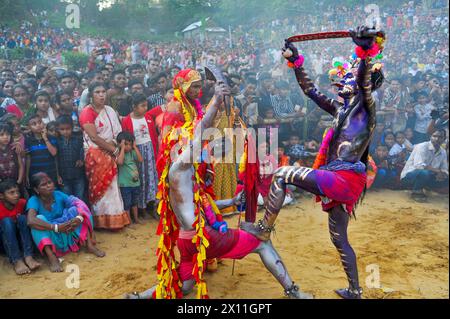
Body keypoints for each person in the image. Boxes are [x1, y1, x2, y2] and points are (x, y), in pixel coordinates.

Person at [126, 68, 311, 299]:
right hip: (204, 237)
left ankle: (139, 297)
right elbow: (200, 133)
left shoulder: (180, 176)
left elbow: (205, 205)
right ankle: (295, 293)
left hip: (187, 241)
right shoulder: (179, 168)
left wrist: (233, 200)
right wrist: (215, 98)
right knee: (262, 244)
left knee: (185, 286)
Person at [242, 26, 386, 299]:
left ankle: (263, 230)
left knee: (283, 173)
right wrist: (295, 62)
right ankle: (355, 290)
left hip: (344, 179)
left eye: (348, 77)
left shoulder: (366, 107)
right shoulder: (340, 109)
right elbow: (310, 91)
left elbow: (365, 80)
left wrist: (366, 53)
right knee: (339, 239)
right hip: (340, 179)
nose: (341, 80)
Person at [26, 172, 104, 272]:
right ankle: (52, 258)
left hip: (67, 230)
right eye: (43, 185)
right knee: (38, 220)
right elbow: (30, 220)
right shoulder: (34, 200)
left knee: (76, 210)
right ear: (36, 190)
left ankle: (89, 245)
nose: (49, 185)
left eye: (49, 182)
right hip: (52, 235)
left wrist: (78, 218)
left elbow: (78, 203)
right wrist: (56, 227)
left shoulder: (58, 194)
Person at [79, 81, 130, 230]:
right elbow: (94, 138)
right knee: (101, 187)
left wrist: (115, 146)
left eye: (103, 91)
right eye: (97, 92)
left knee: (113, 186)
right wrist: (113, 151)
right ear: (91, 96)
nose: (101, 95)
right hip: (95, 153)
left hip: (111, 149)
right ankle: (102, 222)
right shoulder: (87, 112)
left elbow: (117, 132)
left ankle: (116, 220)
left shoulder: (110, 110)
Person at [121, 93, 158, 219]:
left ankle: (152, 206)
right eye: (142, 106)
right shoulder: (127, 120)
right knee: (140, 179)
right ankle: (140, 208)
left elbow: (152, 135)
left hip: (150, 151)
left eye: (146, 105)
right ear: (134, 107)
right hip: (137, 153)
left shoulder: (148, 117)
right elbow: (127, 139)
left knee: (151, 178)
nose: (145, 108)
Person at [0, 179, 41, 275]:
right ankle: (16, 260)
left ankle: (29, 256)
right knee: (6, 221)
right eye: (11, 193)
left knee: (22, 218)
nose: (16, 195)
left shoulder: (22, 203)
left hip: (21, 241)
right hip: (5, 243)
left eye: (17, 192)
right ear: (1, 196)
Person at [400, 129, 448, 202]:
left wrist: (444, 174)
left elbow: (444, 168)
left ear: (444, 139)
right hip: (409, 176)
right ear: (430, 137)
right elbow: (419, 166)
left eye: (440, 137)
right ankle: (416, 192)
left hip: (429, 175)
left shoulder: (443, 151)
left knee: (446, 177)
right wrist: (438, 171)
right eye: (434, 136)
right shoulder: (421, 146)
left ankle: (426, 188)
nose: (437, 139)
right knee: (424, 173)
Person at [116, 131, 144, 225]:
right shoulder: (119, 153)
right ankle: (129, 222)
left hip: (135, 183)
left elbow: (140, 160)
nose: (128, 146)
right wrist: (122, 148)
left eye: (130, 144)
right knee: (127, 204)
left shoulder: (132, 152)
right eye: (126, 144)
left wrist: (135, 147)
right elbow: (119, 162)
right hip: (125, 184)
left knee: (134, 203)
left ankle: (136, 219)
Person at [24, 114, 58, 190]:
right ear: (29, 127)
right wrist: (26, 175)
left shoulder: (51, 138)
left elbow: (54, 153)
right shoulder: (28, 140)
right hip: (35, 174)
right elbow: (28, 158)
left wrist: (45, 138)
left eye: (40, 122)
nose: (38, 125)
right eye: (34, 124)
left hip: (50, 173)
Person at [55, 115, 85, 201]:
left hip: (78, 175)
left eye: (68, 129)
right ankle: (70, 214)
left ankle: (80, 214)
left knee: (80, 199)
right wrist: (57, 175)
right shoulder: (57, 141)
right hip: (64, 176)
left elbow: (83, 150)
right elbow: (55, 159)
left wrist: (81, 160)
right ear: (58, 129)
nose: (65, 132)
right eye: (62, 129)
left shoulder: (78, 139)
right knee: (67, 200)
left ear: (72, 128)